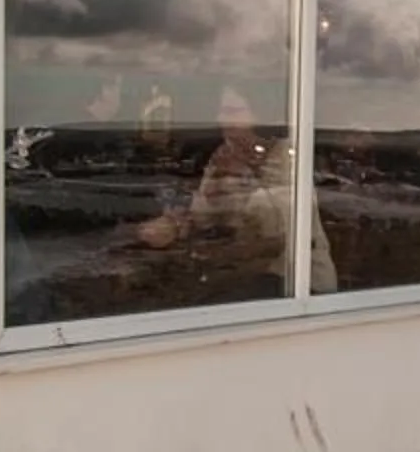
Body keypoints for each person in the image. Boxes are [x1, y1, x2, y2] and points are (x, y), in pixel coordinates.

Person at [138, 86, 337, 297]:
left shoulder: (286, 158)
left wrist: (222, 255)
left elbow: (278, 238)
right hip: (251, 276)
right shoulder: (224, 154)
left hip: (299, 286)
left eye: (232, 111)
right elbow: (203, 216)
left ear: (258, 117)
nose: (222, 118)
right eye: (222, 111)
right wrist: (175, 226)